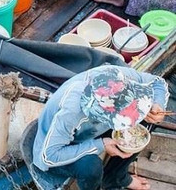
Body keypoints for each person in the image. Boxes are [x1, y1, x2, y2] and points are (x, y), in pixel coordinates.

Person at [32, 65, 168, 190]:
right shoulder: (71, 112)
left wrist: (157, 105)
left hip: (92, 131)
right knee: (90, 166)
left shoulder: (118, 77)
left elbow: (158, 83)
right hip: (59, 148)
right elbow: (48, 156)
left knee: (149, 118)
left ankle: (116, 176)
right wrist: (100, 145)